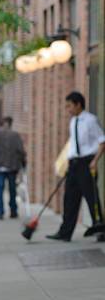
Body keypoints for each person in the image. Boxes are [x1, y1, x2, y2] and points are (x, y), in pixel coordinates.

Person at [47, 91, 105, 242]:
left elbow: (102, 141)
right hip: (74, 165)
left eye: (69, 106)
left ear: (78, 104)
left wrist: (95, 161)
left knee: (92, 198)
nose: (68, 110)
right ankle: (65, 232)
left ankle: (101, 230)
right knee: (70, 199)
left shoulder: (91, 120)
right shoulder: (73, 122)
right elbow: (73, 144)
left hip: (87, 163)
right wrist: (67, 162)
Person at [0, 116, 27, 220]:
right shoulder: (15, 135)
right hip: (12, 166)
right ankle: (13, 210)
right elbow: (20, 150)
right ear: (11, 124)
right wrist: (23, 161)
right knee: (12, 189)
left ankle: (0, 211)